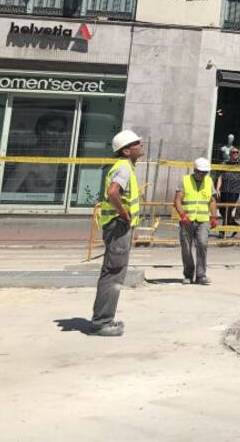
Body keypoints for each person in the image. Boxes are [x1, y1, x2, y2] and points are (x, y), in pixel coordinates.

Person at [90, 130, 143, 336]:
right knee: (113, 272)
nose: (141, 145)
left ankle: (104, 318)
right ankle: (102, 321)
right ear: (127, 150)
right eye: (137, 143)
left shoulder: (126, 166)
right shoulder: (123, 168)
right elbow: (113, 192)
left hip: (119, 225)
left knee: (114, 271)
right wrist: (123, 212)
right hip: (118, 225)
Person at [174, 157, 218, 285]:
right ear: (195, 170)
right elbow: (177, 200)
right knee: (186, 248)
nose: (203, 175)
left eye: (206, 173)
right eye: (201, 172)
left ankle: (201, 275)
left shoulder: (209, 181)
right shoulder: (185, 180)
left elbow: (212, 200)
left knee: (202, 244)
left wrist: (214, 217)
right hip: (187, 219)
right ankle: (188, 274)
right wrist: (183, 215)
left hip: (203, 220)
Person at [215, 147, 240, 237]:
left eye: (237, 152)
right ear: (230, 154)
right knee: (221, 210)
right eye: (233, 152)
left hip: (235, 191)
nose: (235, 154)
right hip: (224, 190)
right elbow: (220, 176)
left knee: (228, 210)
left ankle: (222, 232)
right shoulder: (225, 163)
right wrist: (218, 189)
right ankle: (235, 225)